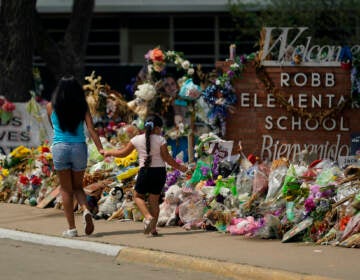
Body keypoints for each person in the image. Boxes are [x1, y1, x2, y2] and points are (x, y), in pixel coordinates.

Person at [103, 114, 188, 236]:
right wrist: (180, 167)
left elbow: (122, 153)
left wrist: (108, 152)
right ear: (157, 128)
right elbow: (167, 158)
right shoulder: (161, 139)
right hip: (159, 172)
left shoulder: (136, 139)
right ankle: (153, 229)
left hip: (145, 172)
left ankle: (147, 217)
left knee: (137, 196)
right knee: (154, 201)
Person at [46, 75, 104, 238]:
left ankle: (72, 228)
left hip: (60, 147)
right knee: (78, 186)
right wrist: (100, 149)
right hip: (79, 147)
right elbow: (91, 129)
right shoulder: (82, 107)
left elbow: (54, 127)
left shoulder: (51, 107)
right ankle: (86, 210)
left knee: (66, 189)